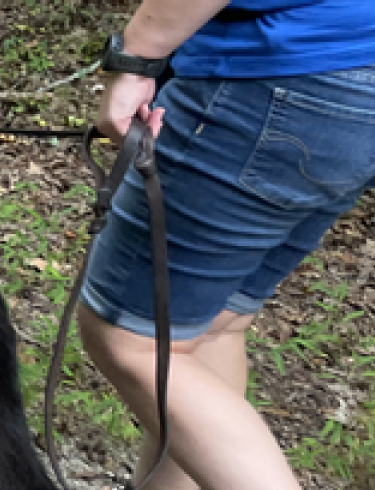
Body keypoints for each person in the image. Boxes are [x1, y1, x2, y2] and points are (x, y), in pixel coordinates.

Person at [85, 0, 375, 488]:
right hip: (350, 82)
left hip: (283, 76)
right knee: (210, 327)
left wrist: (136, 58)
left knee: (132, 340)